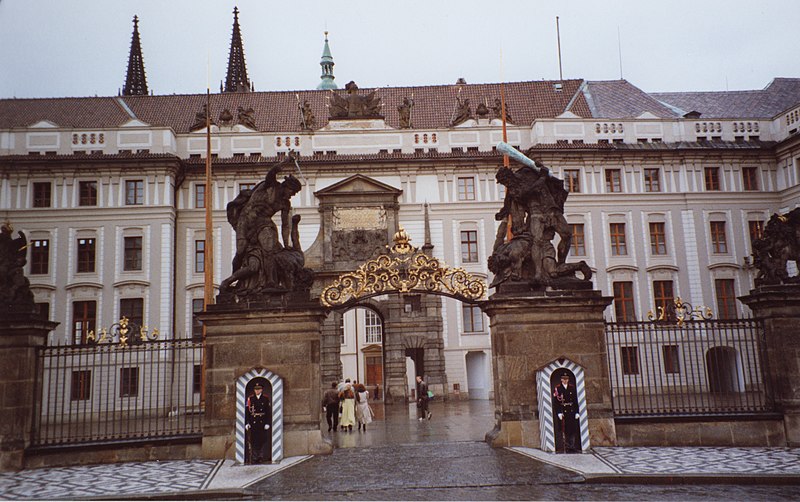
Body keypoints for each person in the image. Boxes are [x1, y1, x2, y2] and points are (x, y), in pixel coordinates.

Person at [553, 372, 580, 453]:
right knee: (563, 429)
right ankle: (565, 446)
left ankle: (572, 446)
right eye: (564, 379)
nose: (565, 380)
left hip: (571, 411)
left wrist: (576, 412)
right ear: (561, 379)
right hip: (563, 411)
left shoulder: (571, 387)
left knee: (572, 429)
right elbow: (556, 402)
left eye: (566, 379)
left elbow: (575, 400)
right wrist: (558, 413)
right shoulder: (558, 388)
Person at [245, 383, 272, 463]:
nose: (257, 391)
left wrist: (267, 423)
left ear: (261, 390)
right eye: (256, 389)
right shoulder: (250, 399)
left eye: (258, 389)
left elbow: (268, 412)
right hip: (253, 423)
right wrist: (247, 422)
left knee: (262, 440)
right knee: (253, 440)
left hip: (262, 422)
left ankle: (261, 456)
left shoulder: (265, 399)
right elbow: (247, 412)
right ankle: (254, 457)